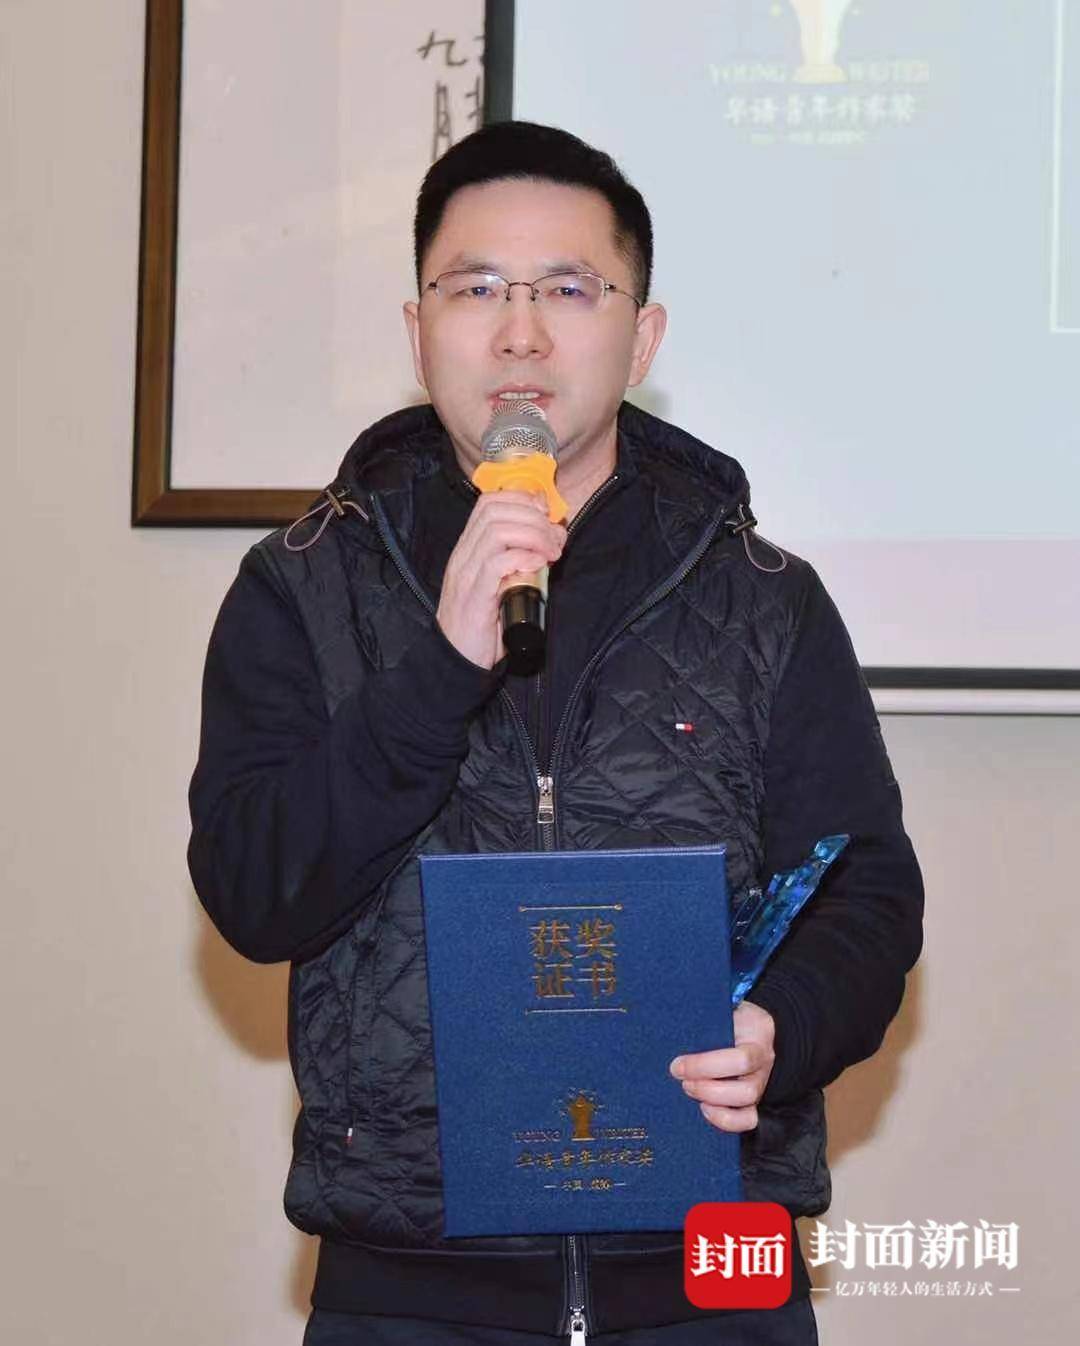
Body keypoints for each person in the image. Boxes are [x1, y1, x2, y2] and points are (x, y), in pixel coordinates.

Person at [188, 121, 923, 1344]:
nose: (520, 333)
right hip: (409, 1288)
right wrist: (437, 668)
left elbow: (866, 890)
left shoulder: (761, 596)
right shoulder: (304, 586)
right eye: (475, 288)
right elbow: (256, 892)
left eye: (570, 290)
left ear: (644, 336)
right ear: (416, 328)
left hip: (712, 1275)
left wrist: (782, 1026)